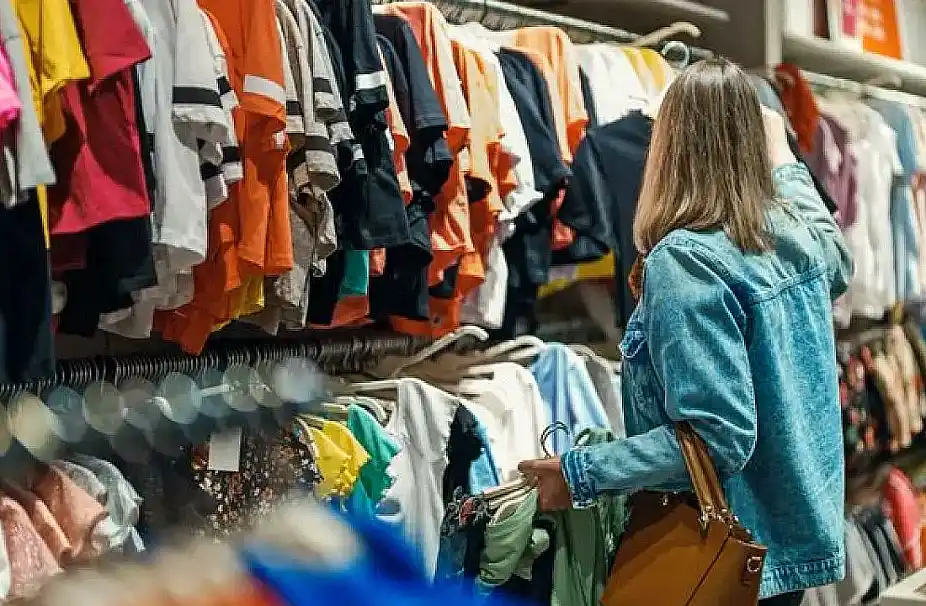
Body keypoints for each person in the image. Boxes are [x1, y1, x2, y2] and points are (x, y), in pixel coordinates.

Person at [519, 58, 853, 606]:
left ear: (669, 145)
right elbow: (836, 255)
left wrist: (579, 472)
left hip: (718, 553)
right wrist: (783, 160)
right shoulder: (789, 232)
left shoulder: (688, 260)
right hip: (779, 549)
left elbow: (718, 437)